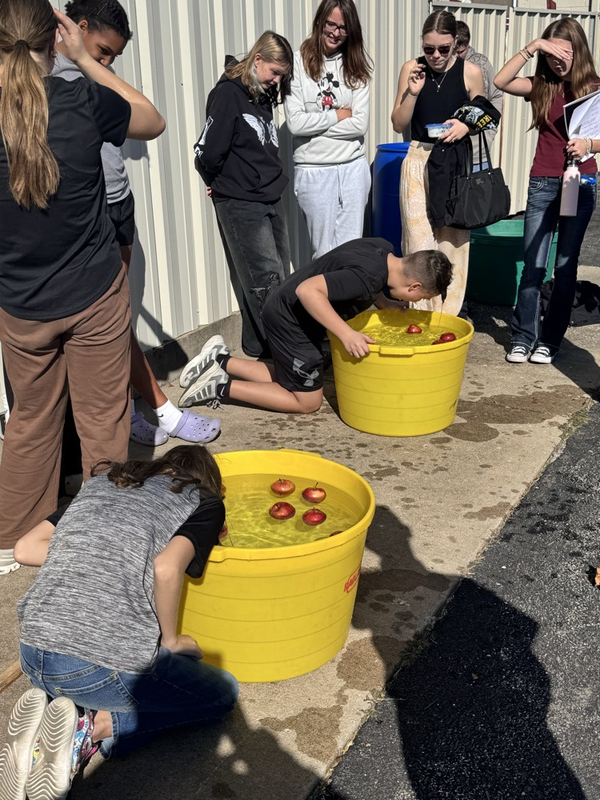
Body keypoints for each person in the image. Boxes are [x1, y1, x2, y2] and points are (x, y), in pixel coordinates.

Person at [0, 1, 165, 575]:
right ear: (56, 38)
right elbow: (151, 118)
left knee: (30, 421)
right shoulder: (80, 98)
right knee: (103, 419)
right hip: (94, 294)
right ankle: (104, 533)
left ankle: (12, 540)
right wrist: (83, 60)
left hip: (22, 306)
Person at [0, 445, 238, 799]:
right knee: (222, 693)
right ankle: (90, 729)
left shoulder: (104, 483)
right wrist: (171, 641)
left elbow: (25, 548)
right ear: (209, 481)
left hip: (33, 652)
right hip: (94, 668)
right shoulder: (202, 500)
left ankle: (49, 728)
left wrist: (101, 555)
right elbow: (167, 569)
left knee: (81, 675)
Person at [54, 0, 220, 447]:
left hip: (118, 201)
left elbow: (150, 119)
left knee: (115, 316)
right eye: (103, 50)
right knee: (106, 321)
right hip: (87, 213)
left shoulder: (88, 70)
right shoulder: (43, 76)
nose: (106, 62)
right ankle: (159, 408)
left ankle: (129, 409)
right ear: (78, 27)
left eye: (112, 57)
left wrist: (89, 61)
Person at [176, 239, 453, 415]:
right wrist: (345, 334)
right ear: (414, 286)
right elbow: (309, 291)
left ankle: (219, 360)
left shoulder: (382, 251)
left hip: (285, 309)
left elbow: (356, 278)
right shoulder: (367, 278)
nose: (417, 302)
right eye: (422, 297)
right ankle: (219, 386)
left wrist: (385, 304)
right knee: (307, 401)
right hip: (290, 319)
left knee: (291, 377)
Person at [494, 17, 599, 364]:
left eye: (564, 51)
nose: (557, 60)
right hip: (542, 182)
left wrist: (590, 143)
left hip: (580, 183)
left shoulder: (596, 89)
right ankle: (523, 337)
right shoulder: (543, 85)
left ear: (579, 49)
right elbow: (501, 81)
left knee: (566, 267)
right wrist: (533, 46)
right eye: (551, 53)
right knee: (533, 266)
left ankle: (550, 340)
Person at [194, 31, 294, 360]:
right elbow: (206, 151)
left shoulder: (260, 95)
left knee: (278, 276)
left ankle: (260, 349)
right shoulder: (227, 95)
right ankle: (283, 354)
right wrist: (214, 179)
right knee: (265, 280)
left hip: (269, 197)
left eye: (282, 76)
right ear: (257, 60)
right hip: (241, 202)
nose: (277, 81)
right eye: (274, 73)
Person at [391, 10, 484, 317]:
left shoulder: (469, 72)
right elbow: (398, 122)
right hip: (419, 159)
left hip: (455, 161)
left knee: (453, 243)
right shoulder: (412, 68)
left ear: (456, 42)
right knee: (418, 244)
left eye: (443, 49)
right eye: (428, 48)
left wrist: (466, 127)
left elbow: (483, 115)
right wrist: (413, 93)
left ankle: (448, 317)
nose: (435, 55)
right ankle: (419, 313)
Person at [284, 0, 372, 259]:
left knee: (352, 251)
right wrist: (337, 115)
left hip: (352, 167)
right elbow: (295, 123)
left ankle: (348, 301)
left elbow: (360, 124)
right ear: (319, 22)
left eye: (343, 28)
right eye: (330, 24)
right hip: (314, 169)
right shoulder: (297, 63)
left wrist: (314, 125)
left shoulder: (356, 67)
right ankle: (322, 300)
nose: (335, 33)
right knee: (323, 253)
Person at [455, 19, 503, 169]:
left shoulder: (481, 63)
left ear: (468, 45)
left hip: (477, 151)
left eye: (460, 52)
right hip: (450, 151)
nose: (456, 56)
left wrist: (489, 131)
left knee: (477, 192)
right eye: (452, 51)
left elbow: (496, 96)